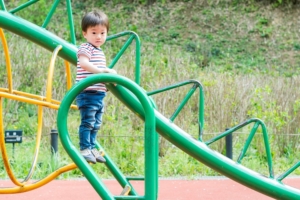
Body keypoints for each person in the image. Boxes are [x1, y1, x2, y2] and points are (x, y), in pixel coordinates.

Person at [76, 10, 117, 164]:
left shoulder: (99, 51)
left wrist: (108, 81)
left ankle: (92, 147)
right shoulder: (86, 47)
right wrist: (103, 72)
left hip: (98, 94)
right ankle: (85, 148)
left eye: (102, 33)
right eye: (94, 32)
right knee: (88, 121)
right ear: (85, 34)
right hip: (87, 92)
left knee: (96, 123)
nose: (98, 37)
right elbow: (84, 64)